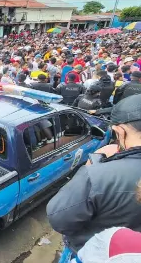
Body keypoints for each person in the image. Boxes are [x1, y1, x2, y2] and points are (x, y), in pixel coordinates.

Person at [47, 94, 141, 252]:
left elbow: (59, 220)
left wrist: (95, 167)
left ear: (121, 132)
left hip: (93, 252)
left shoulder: (97, 175)